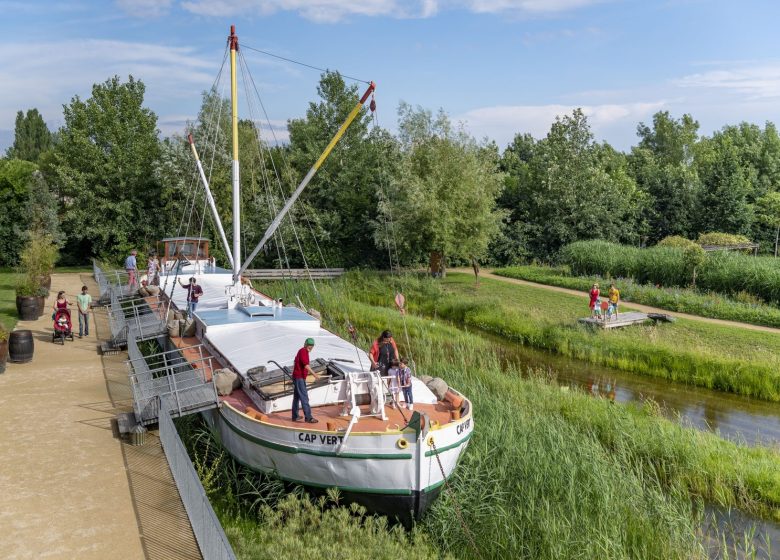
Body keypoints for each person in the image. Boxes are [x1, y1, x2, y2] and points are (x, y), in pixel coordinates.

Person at [292, 338, 320, 423]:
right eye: (309, 345)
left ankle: (295, 416)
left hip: (297, 377)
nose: (310, 347)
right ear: (306, 344)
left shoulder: (302, 351)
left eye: (311, 346)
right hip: (299, 378)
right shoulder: (303, 351)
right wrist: (314, 374)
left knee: (296, 397)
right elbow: (306, 365)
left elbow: (296, 362)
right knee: (304, 397)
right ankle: (308, 417)